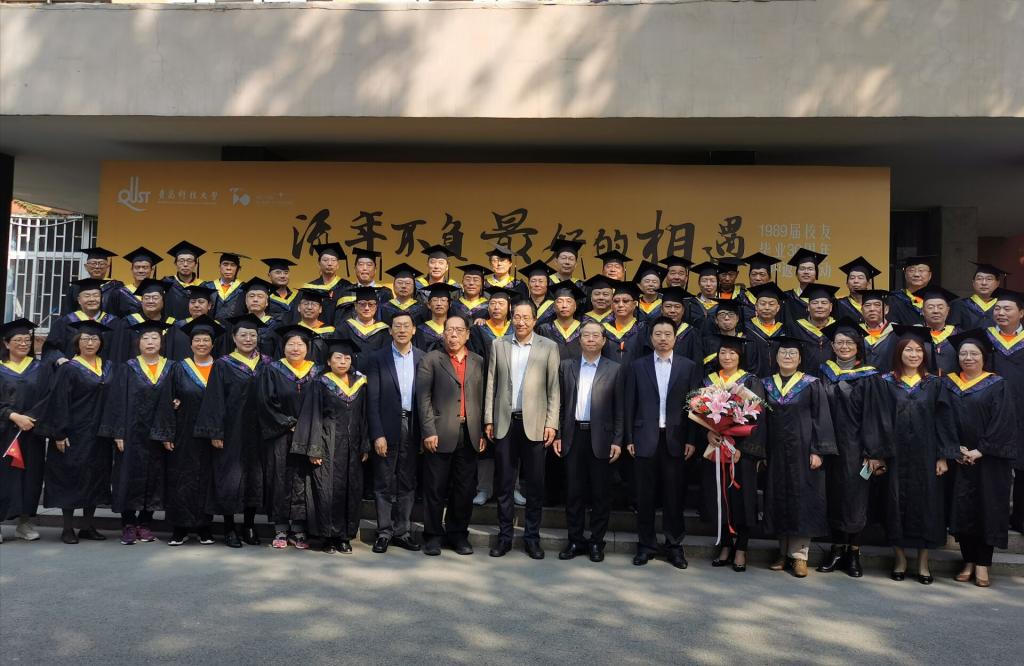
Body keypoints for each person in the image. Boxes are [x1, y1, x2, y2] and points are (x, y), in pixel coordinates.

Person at [878, 326, 958, 584]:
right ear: (898, 353)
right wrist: (878, 454)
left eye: (918, 350)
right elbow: (878, 420)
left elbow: (943, 421)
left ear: (925, 354)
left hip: (926, 455)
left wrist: (943, 456)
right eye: (908, 350)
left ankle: (923, 562)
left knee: (928, 506)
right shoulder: (885, 382)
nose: (913, 354)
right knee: (893, 504)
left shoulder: (934, 383)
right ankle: (900, 559)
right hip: (895, 455)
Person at [484, 300, 560, 559]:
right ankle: (504, 537)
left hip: (536, 424)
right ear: (511, 318)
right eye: (517, 316)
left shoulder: (548, 347)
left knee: (535, 486)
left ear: (534, 320)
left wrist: (551, 423)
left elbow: (554, 388)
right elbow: (491, 384)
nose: (521, 322)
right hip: (505, 422)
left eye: (526, 317)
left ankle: (532, 538)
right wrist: (489, 419)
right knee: (504, 485)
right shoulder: (499, 344)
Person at [623, 317, 701, 569]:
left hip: (675, 439)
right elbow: (629, 403)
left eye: (668, 334)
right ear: (651, 338)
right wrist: (629, 438)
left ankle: (674, 546)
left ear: (675, 338)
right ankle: (646, 545)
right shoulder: (638, 366)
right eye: (658, 334)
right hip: (644, 438)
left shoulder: (688, 367)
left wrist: (691, 439)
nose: (663, 338)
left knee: (674, 496)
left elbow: (694, 406)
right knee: (644, 496)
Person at [944, 330, 1019, 588]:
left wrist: (981, 450)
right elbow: (942, 418)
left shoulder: (997, 384)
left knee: (988, 510)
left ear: (983, 357)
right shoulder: (949, 384)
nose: (968, 358)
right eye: (963, 354)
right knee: (962, 511)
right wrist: (955, 448)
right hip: (959, 458)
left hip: (989, 461)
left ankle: (983, 564)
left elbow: (1004, 422)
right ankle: (968, 560)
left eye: (973, 354)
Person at [815, 319, 888, 578]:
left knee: (856, 500)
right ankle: (836, 549)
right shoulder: (823, 372)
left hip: (857, 449)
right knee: (832, 496)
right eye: (839, 342)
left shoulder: (870, 376)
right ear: (832, 346)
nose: (844, 346)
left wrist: (874, 453)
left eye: (849, 342)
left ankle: (854, 553)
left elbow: (876, 416)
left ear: (858, 346)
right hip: (827, 446)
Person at [761, 336, 837, 578]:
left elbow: (821, 418)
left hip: (803, 452)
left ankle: (800, 556)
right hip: (776, 453)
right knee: (779, 499)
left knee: (802, 500)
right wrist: (761, 450)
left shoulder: (811, 384)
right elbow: (760, 421)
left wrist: (818, 450)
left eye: (792, 353)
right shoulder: (766, 384)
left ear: (800, 358)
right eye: (783, 353)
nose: (787, 356)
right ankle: (782, 552)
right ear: (775, 357)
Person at [194, 313, 271, 548]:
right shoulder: (223, 364)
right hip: (231, 432)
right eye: (243, 335)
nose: (248, 339)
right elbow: (214, 399)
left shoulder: (268, 364)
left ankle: (249, 525)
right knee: (230, 479)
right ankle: (229, 528)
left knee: (254, 479)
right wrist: (215, 431)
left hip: (260, 432)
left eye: (252, 335)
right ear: (234, 338)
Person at [416, 314, 486, 556]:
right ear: (443, 333)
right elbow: (423, 398)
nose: (453, 334)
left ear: (467, 334)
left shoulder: (478, 361)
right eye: (449, 330)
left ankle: (458, 534)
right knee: (435, 488)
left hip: (469, 432)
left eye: (458, 330)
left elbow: (482, 397)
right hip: (439, 432)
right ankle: (433, 535)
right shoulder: (431, 359)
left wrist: (482, 430)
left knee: (464, 489)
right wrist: (428, 431)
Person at [291, 338, 370, 554]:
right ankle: (327, 537)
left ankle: (344, 536)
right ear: (328, 361)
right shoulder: (320, 383)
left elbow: (365, 416)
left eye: (347, 358)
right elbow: (313, 416)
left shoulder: (361, 383)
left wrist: (365, 444)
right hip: (327, 443)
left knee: (350, 490)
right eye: (338, 357)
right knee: (325, 491)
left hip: (353, 446)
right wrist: (314, 448)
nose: (343, 361)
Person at [40, 320, 115, 544]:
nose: (90, 343)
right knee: (70, 477)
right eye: (85, 339)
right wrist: (59, 433)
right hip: (74, 432)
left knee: (95, 477)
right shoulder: (69, 368)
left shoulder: (109, 367)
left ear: (101, 343)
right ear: (77, 342)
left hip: (100, 434)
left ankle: (88, 526)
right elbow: (59, 402)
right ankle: (67, 528)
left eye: (94, 339)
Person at [100, 319, 173, 545]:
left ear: (161, 342)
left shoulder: (172, 367)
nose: (150, 342)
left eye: (155, 338)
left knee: (155, 476)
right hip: (131, 433)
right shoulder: (128, 367)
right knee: (128, 476)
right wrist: (118, 432)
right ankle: (128, 524)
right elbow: (117, 400)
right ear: (138, 343)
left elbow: (177, 394)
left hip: (158, 432)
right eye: (145, 338)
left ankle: (145, 523)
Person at [152, 316, 223, 546]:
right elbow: (167, 400)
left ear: (213, 343)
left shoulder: (222, 367)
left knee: (207, 480)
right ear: (190, 344)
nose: (202, 344)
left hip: (212, 434)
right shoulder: (179, 368)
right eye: (197, 340)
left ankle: (204, 527)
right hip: (184, 432)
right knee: (181, 478)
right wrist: (166, 434)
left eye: (206, 340)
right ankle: (179, 528)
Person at [555, 321, 623, 562]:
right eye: (586, 335)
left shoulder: (615, 369)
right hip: (573, 435)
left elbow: (620, 408)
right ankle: (575, 540)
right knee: (573, 492)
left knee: (600, 494)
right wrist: (559, 434)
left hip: (602, 438)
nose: (591, 339)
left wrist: (617, 440)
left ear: (604, 340)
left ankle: (596, 542)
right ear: (579, 339)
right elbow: (560, 404)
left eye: (596, 336)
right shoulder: (566, 366)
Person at [700, 336, 765, 573]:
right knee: (720, 498)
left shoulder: (751, 382)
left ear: (740, 357)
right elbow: (699, 413)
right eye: (723, 353)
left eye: (732, 353)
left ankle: (741, 548)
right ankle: (726, 545)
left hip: (741, 454)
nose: (727, 357)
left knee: (742, 500)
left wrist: (742, 448)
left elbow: (758, 418)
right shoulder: (708, 381)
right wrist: (708, 433)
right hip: (716, 449)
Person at [258, 324, 321, 550]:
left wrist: (305, 427)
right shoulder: (272, 370)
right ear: (283, 347)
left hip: (308, 435)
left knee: (304, 479)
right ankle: (281, 528)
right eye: (291, 344)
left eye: (300, 344)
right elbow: (266, 402)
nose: (295, 348)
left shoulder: (317, 372)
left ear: (307, 348)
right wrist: (289, 423)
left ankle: (300, 528)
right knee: (279, 478)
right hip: (280, 435)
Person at [366, 313, 424, 553]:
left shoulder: (423, 357)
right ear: (390, 330)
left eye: (406, 326)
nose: (401, 330)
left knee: (407, 481)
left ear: (414, 330)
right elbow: (372, 399)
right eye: (397, 326)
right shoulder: (377, 358)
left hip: (413, 425)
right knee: (384, 480)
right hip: (387, 426)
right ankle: (384, 532)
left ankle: (403, 531)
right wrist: (377, 434)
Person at [0, 319, 52, 542]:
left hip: (31, 432)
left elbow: (48, 397)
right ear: (6, 343)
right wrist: (13, 416)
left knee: (30, 477)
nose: (23, 343)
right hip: (4, 433)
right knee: (3, 477)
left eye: (27, 340)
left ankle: (24, 523)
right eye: (18, 340)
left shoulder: (41, 368)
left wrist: (30, 418)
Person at [985, 288, 1024, 533]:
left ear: (1021, 313)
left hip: (1022, 412)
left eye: (1007, 309)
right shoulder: (985, 339)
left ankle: (1020, 517)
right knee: (994, 467)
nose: (1000, 313)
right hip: (993, 413)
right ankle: (994, 517)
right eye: (997, 308)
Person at [43, 278, 118, 364]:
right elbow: (50, 349)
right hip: (71, 370)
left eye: (96, 295)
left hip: (105, 371)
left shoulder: (114, 323)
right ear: (79, 300)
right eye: (87, 296)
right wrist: (59, 358)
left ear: (102, 298)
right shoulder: (65, 322)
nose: (92, 299)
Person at [108, 278, 179, 363]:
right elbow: (118, 355)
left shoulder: (173, 326)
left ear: (163, 301)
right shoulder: (127, 324)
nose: (150, 301)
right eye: (147, 298)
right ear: (141, 301)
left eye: (155, 298)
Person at [785, 283, 839, 376]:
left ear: (830, 307)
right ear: (808, 307)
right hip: (803, 381)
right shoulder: (795, 328)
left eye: (824, 303)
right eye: (815, 303)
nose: (819, 306)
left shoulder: (838, 328)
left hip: (833, 380)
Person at [62, 246, 123, 316]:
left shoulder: (116, 287)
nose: (97, 267)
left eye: (101, 264)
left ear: (107, 267)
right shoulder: (76, 287)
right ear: (86, 267)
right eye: (93, 263)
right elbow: (67, 313)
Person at [914, 284, 960, 376]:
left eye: (940, 307)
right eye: (930, 307)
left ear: (948, 311)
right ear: (922, 311)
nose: (936, 311)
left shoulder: (959, 335)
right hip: (922, 383)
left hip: (952, 384)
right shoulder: (914, 334)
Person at [301, 242, 351, 324]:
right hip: (314, 330)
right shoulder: (310, 287)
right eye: (325, 260)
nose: (329, 264)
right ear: (319, 264)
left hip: (339, 330)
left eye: (333, 260)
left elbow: (349, 314)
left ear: (338, 265)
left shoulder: (346, 286)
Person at [745, 282, 787, 377]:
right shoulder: (746, 329)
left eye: (771, 304)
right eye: (763, 304)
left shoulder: (784, 331)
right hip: (752, 380)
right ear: (756, 307)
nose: (767, 308)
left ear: (778, 308)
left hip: (778, 381)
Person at [951, 262, 1009, 329]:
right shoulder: (959, 305)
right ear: (973, 283)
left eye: (989, 279)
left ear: (997, 283)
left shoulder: (1005, 306)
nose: (984, 283)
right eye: (979, 279)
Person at [536, 280, 585, 360]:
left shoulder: (584, 329)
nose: (564, 305)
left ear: (575, 306)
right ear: (554, 307)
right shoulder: (544, 329)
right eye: (560, 302)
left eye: (569, 301)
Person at [601, 280, 647, 365]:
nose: (620, 305)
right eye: (616, 301)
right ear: (612, 305)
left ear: (634, 304)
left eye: (625, 301)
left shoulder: (643, 328)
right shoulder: (602, 329)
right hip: (607, 372)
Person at [658, 286, 703, 367]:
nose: (672, 310)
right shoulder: (651, 331)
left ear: (683, 310)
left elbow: (697, 363)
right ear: (661, 309)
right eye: (668, 306)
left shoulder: (692, 333)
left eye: (677, 307)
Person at [468, 286, 514, 365]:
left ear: (509, 307)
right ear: (488, 308)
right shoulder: (478, 330)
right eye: (492, 303)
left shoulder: (515, 329)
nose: (496, 307)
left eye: (501, 303)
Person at [162, 241, 207, 320]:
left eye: (189, 261)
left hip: (196, 326)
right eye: (181, 261)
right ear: (175, 264)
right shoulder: (166, 283)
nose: (185, 264)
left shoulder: (204, 286)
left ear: (195, 264)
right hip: (172, 326)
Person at [887, 255, 936, 326]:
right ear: (905, 274)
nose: (916, 274)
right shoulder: (893, 299)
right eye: (911, 270)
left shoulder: (938, 300)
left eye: (921, 270)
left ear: (930, 275)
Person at [783, 248, 828, 323]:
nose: (806, 272)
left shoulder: (827, 298)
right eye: (802, 269)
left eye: (810, 269)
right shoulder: (786, 298)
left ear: (816, 273)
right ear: (796, 274)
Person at [115, 246, 162, 316]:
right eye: (137, 267)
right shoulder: (121, 293)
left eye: (145, 267)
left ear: (151, 269)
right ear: (132, 269)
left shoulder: (161, 293)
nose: (141, 271)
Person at [834, 256, 882, 323]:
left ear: (868, 284)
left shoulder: (879, 305)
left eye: (860, 278)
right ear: (847, 284)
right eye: (852, 278)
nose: (856, 281)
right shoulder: (838, 305)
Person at [294, 288, 336, 364]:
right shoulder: (292, 331)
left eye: (314, 304)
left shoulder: (331, 332)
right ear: (299, 307)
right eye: (306, 304)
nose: (309, 307)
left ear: (320, 309)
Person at [204, 251, 248, 321]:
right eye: (225, 264)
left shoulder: (245, 288)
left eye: (233, 265)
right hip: (212, 327)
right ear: (219, 267)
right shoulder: (208, 287)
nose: (228, 268)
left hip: (236, 327)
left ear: (238, 268)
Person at [414, 283, 457, 353]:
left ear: (450, 304)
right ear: (428, 305)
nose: (439, 304)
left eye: (443, 300)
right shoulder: (420, 330)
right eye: (435, 300)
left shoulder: (455, 329)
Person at [860, 289, 896, 372]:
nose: (872, 309)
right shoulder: (855, 332)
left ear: (886, 309)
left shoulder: (897, 332)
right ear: (862, 310)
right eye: (867, 305)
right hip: (861, 379)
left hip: (888, 379)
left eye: (877, 305)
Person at [739, 253, 781, 320]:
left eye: (762, 274)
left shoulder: (777, 300)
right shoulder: (740, 298)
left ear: (769, 277)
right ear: (749, 276)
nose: (757, 278)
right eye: (754, 274)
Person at [519, 260, 556, 325]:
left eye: (541, 281)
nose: (537, 284)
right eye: (533, 281)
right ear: (528, 283)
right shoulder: (521, 305)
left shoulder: (555, 307)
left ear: (547, 284)